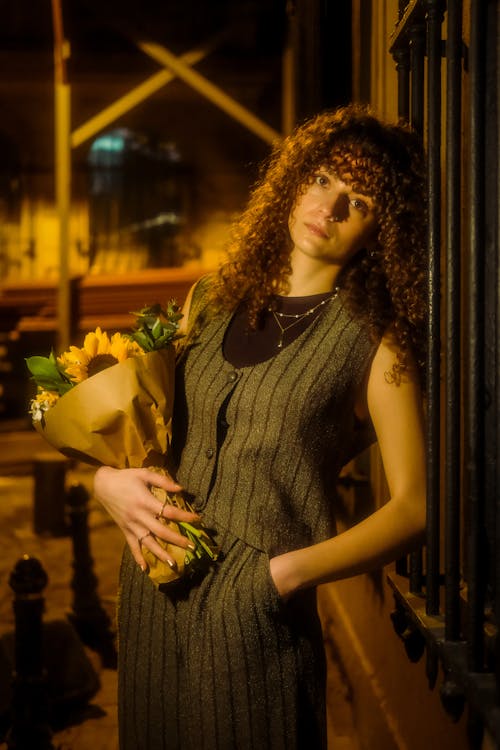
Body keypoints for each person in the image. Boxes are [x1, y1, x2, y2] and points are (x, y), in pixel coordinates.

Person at [94, 104, 428, 749]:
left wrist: (281, 577)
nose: (328, 208)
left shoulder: (377, 341)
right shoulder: (210, 298)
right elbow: (148, 434)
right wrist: (109, 483)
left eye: (357, 201)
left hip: (258, 622)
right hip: (152, 586)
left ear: (381, 228)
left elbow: (416, 508)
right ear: (297, 177)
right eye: (326, 179)